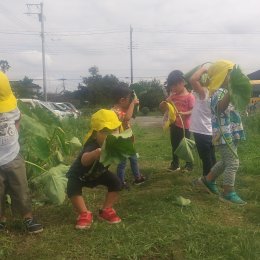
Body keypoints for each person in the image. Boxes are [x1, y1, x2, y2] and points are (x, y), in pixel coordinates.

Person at [193, 60, 247, 205]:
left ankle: (207, 180)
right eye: (230, 74)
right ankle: (228, 192)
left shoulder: (227, 91)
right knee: (233, 162)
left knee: (225, 161)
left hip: (230, 132)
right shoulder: (218, 92)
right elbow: (219, 108)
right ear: (222, 75)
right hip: (223, 134)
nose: (232, 77)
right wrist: (230, 92)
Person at [0, 71, 43, 233]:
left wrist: (15, 133)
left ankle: (28, 217)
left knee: (21, 188)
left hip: (13, 155)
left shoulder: (11, 107)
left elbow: (18, 118)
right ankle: (1, 220)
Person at [66, 109, 123, 229]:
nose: (111, 134)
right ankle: (84, 213)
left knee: (116, 182)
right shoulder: (93, 145)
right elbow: (84, 160)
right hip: (79, 174)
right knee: (72, 187)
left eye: (114, 130)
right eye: (105, 131)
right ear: (96, 133)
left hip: (98, 173)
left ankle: (106, 210)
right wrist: (95, 154)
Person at [111, 86, 146, 189]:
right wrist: (132, 104)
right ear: (122, 100)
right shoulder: (114, 111)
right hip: (121, 142)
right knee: (122, 163)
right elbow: (126, 119)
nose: (130, 101)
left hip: (127, 140)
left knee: (134, 159)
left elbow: (131, 115)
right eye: (128, 99)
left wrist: (134, 105)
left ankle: (138, 177)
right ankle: (120, 183)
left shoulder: (120, 108)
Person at [162, 70, 195, 172]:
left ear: (182, 82)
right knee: (175, 145)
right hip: (174, 125)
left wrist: (184, 113)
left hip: (185, 126)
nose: (172, 88)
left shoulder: (190, 96)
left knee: (185, 146)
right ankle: (175, 164)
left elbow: (193, 110)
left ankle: (189, 165)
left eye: (175, 85)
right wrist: (168, 100)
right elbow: (166, 106)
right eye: (171, 86)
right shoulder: (173, 96)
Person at [189, 66, 216, 176]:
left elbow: (192, 79)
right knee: (211, 155)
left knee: (205, 157)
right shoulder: (214, 93)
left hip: (201, 130)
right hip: (209, 130)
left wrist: (203, 69)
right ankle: (213, 177)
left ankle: (207, 180)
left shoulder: (204, 93)